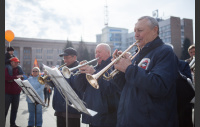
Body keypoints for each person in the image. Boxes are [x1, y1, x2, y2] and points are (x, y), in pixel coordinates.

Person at [112, 16, 179, 127]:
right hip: (128, 121)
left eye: (140, 30)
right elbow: (125, 88)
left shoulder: (165, 51)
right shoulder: (137, 55)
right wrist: (119, 69)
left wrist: (129, 69)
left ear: (155, 30)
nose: (136, 35)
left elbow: (159, 86)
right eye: (135, 31)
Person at [73, 43, 120, 127]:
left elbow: (110, 88)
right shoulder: (94, 68)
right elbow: (80, 87)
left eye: (99, 52)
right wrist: (81, 73)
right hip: (93, 115)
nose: (97, 55)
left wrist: (94, 73)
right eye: (96, 52)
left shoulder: (114, 67)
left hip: (107, 117)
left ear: (108, 53)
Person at [52, 47, 82, 127]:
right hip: (59, 108)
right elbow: (53, 85)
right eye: (64, 58)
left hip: (72, 109)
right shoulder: (62, 69)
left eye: (67, 58)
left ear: (74, 57)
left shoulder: (79, 69)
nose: (64, 60)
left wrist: (64, 75)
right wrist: (50, 77)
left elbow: (77, 85)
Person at [5, 57, 23, 127]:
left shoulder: (19, 69)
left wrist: (20, 88)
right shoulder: (6, 68)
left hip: (17, 93)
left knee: (14, 110)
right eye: (15, 62)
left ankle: (12, 124)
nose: (16, 63)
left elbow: (21, 78)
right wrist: (16, 77)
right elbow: (6, 78)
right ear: (11, 62)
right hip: (7, 93)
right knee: (5, 110)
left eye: (17, 62)